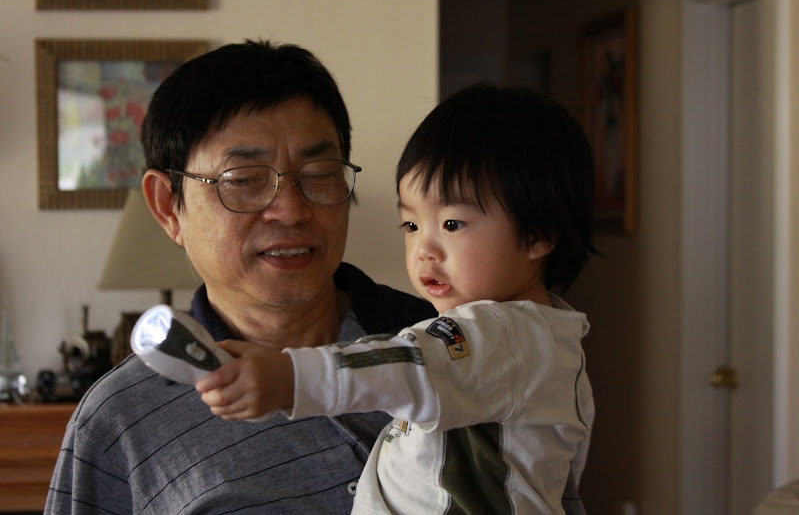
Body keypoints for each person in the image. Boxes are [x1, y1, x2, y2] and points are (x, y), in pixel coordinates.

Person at [45, 40, 437, 514]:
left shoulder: (450, 339)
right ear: (168, 207)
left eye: (318, 173)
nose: (291, 210)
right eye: (244, 179)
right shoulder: (119, 421)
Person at [195, 82, 598, 514]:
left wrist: (290, 376)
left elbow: (409, 364)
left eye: (452, 225)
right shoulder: (549, 341)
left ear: (539, 234)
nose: (424, 250)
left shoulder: (503, 335)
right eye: (411, 226)